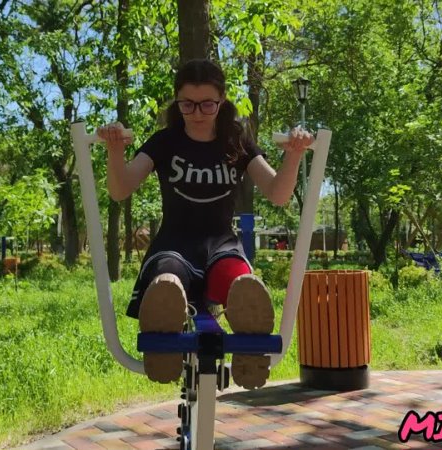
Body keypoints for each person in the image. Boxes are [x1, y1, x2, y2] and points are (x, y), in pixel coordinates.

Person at [98, 59, 313, 389]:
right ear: (177, 102)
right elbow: (120, 188)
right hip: (174, 245)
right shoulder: (166, 141)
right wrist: (115, 151)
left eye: (207, 104)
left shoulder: (236, 141)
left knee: (242, 284)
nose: (197, 112)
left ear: (222, 101)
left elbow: (278, 193)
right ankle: (163, 343)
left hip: (221, 246)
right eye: (188, 104)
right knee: (166, 281)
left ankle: (249, 350)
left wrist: (294, 155)